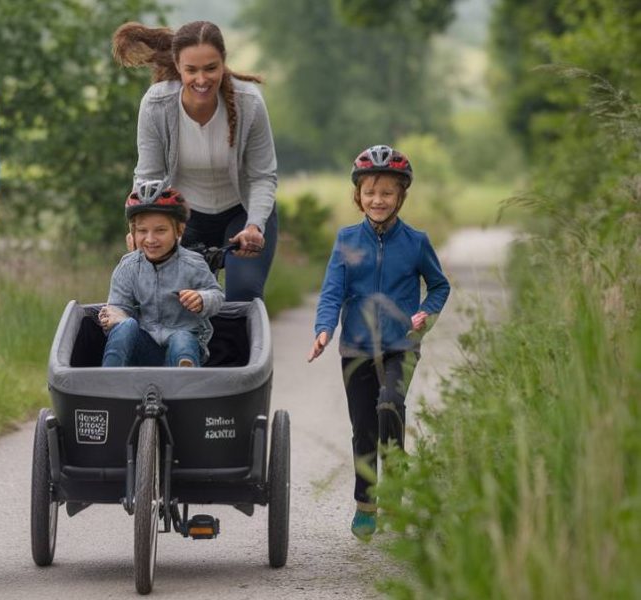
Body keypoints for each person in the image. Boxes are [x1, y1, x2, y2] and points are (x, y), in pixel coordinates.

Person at [306, 145, 450, 540]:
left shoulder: (416, 242)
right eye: (370, 191)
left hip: (400, 345)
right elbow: (332, 292)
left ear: (401, 196)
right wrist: (324, 329)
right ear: (358, 195)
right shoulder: (347, 239)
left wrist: (425, 314)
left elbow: (439, 286)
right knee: (364, 429)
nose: (378, 199)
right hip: (355, 348)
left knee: (390, 404)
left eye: (387, 192)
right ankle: (366, 503)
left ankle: (397, 489)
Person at [112, 20, 278, 302]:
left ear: (223, 62)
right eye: (192, 70)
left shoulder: (248, 102)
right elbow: (148, 176)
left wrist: (255, 226)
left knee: (243, 295)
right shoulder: (157, 104)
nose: (202, 80)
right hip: (186, 217)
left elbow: (262, 175)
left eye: (211, 68)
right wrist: (139, 229)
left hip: (243, 213)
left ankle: (242, 346)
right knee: (171, 299)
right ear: (178, 66)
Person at [100, 183, 225, 368]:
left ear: (179, 231)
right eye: (142, 231)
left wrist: (202, 299)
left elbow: (217, 295)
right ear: (133, 233)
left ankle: (185, 379)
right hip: (143, 350)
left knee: (182, 337)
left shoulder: (193, 264)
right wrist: (114, 316)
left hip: (183, 345)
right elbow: (118, 307)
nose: (150, 239)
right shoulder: (128, 267)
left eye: (160, 230)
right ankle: (107, 381)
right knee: (125, 326)